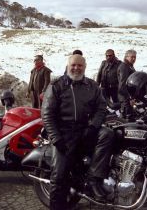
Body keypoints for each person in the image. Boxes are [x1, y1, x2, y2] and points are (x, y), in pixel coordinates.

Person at [42, 54, 114, 210]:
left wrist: (93, 127)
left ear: (85, 67)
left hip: (84, 130)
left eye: (80, 65)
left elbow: (101, 108)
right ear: (68, 66)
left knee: (107, 134)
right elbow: (47, 114)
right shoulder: (56, 86)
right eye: (73, 65)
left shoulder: (92, 86)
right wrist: (56, 138)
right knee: (59, 176)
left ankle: (94, 178)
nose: (76, 68)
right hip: (63, 133)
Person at [117, 49, 137, 118]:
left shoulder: (130, 66)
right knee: (126, 119)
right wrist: (130, 98)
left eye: (135, 57)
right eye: (132, 57)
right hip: (125, 98)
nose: (134, 59)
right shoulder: (124, 67)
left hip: (128, 97)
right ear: (126, 57)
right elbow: (122, 86)